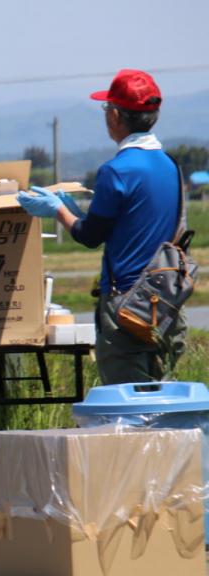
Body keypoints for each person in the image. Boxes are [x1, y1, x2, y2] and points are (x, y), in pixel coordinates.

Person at [18, 69, 182, 384]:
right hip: (165, 301)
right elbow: (124, 224)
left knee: (128, 400)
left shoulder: (116, 171)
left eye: (107, 109)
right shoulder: (170, 166)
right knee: (162, 395)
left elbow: (90, 235)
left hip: (127, 305)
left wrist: (58, 211)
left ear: (116, 116)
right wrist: (76, 210)